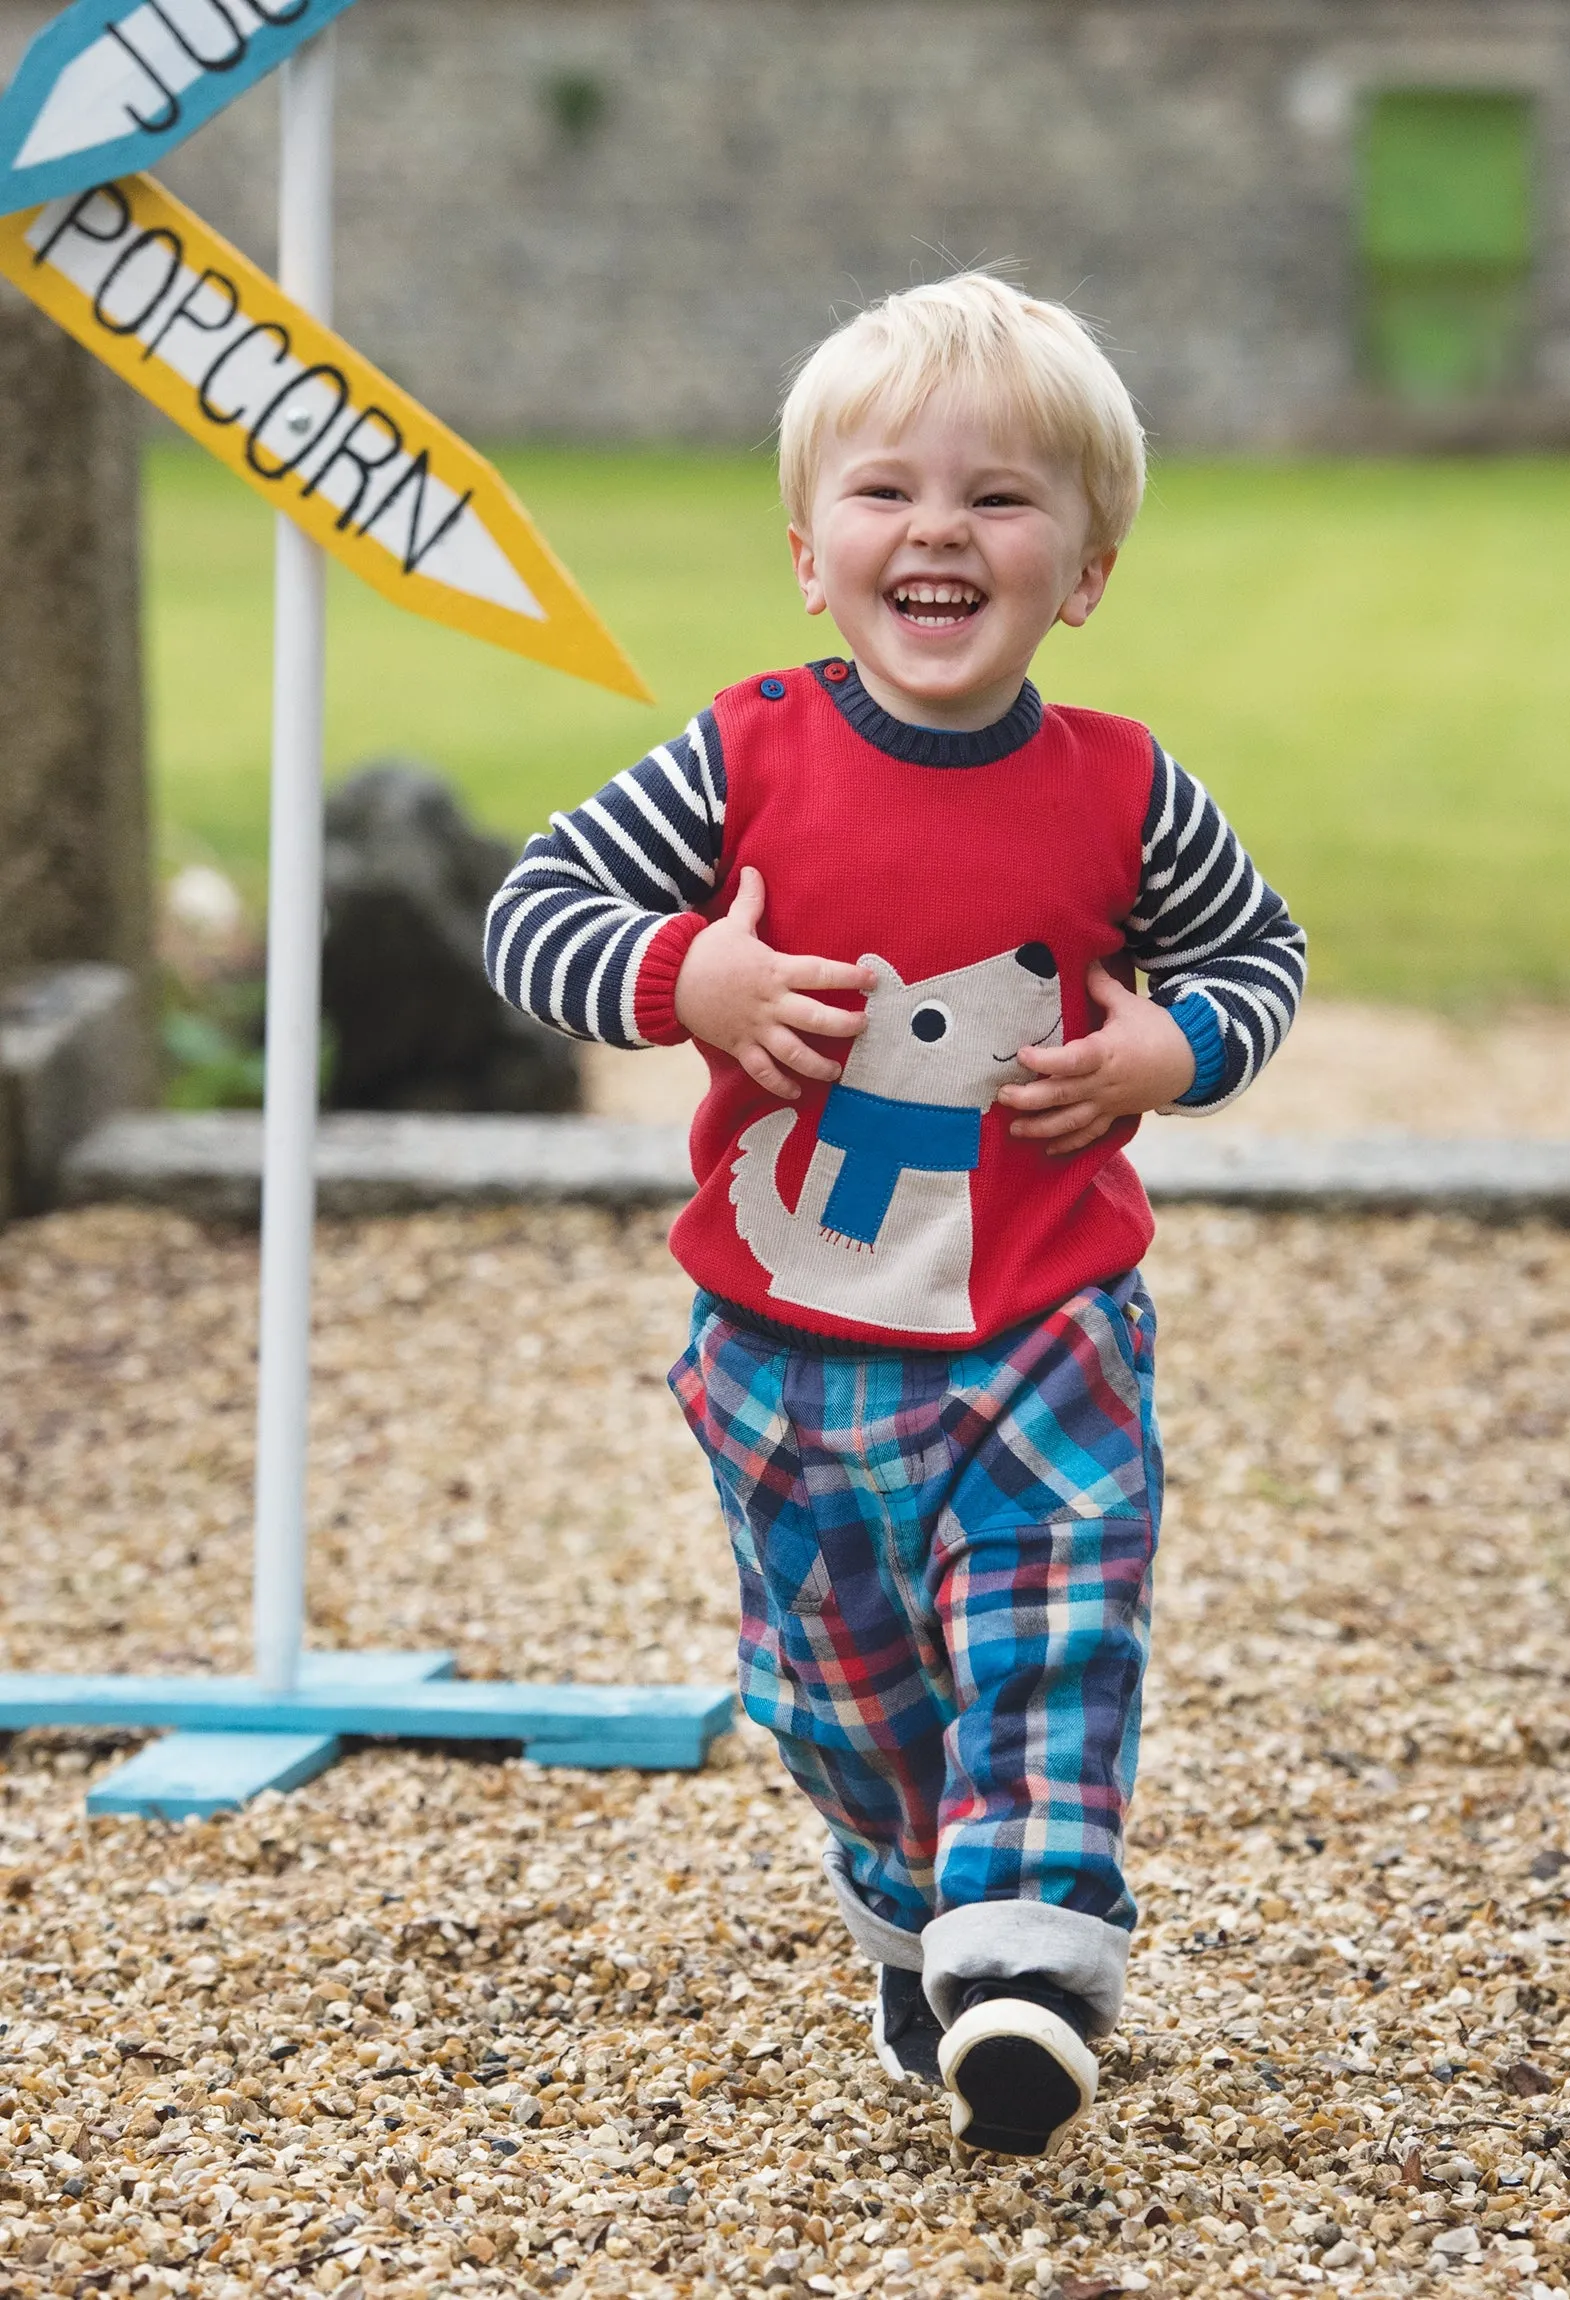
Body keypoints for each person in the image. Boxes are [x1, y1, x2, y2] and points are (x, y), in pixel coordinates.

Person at [485, 272, 1306, 2158]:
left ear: (1082, 569)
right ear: (809, 553)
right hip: (789, 1350)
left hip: (1042, 1327)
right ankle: (914, 1903)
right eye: (887, 493)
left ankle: (1027, 1963)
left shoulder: (1123, 792)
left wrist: (1169, 1054)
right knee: (843, 1690)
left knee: (1052, 1620)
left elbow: (1255, 955)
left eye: (1002, 498)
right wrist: (688, 977)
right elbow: (530, 912)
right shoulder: (742, 754)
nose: (939, 528)